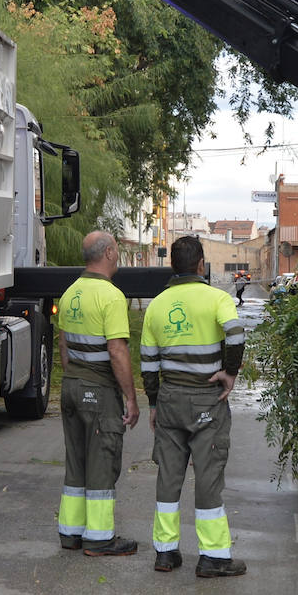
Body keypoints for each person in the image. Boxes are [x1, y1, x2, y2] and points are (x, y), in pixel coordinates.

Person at [140, 236, 247, 577]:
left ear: (173, 265)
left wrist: (154, 402)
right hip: (207, 400)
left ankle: (166, 552)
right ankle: (213, 557)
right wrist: (229, 373)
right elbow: (236, 335)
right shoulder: (217, 298)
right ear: (201, 265)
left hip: (170, 399)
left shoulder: (157, 305)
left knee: (169, 476)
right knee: (208, 474)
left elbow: (148, 362)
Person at [56, 231, 141, 555]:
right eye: (116, 250)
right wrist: (131, 399)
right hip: (98, 390)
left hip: (71, 387)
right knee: (102, 460)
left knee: (76, 461)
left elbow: (63, 345)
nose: (118, 255)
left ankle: (71, 533)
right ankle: (100, 539)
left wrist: (74, 379)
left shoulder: (70, 293)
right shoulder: (110, 296)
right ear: (107, 253)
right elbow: (117, 350)